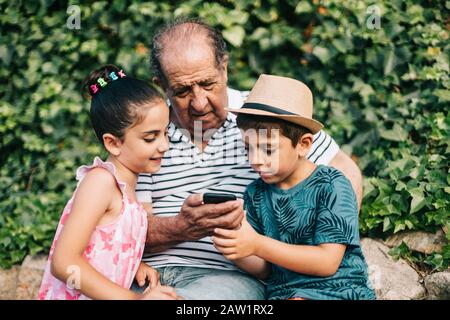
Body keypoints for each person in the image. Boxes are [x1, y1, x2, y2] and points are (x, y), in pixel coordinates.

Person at [135, 19, 364, 299]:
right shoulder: (144, 131)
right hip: (146, 273)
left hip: (226, 277)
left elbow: (344, 170)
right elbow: (118, 223)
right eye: (182, 91)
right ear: (162, 86)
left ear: (225, 68)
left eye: (208, 84)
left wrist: (321, 249)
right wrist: (181, 228)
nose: (199, 103)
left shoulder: (262, 116)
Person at [212, 74, 376, 300]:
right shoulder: (256, 194)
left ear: (303, 144)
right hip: (284, 294)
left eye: (268, 150)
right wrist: (237, 247)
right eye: (248, 148)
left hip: (335, 291)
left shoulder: (332, 185)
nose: (255, 160)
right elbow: (265, 269)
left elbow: (327, 262)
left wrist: (257, 244)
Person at [38, 65, 180, 300]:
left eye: (166, 133)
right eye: (150, 137)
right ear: (113, 143)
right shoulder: (101, 182)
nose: (164, 145)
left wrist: (134, 264)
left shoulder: (129, 191)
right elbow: (64, 263)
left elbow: (104, 244)